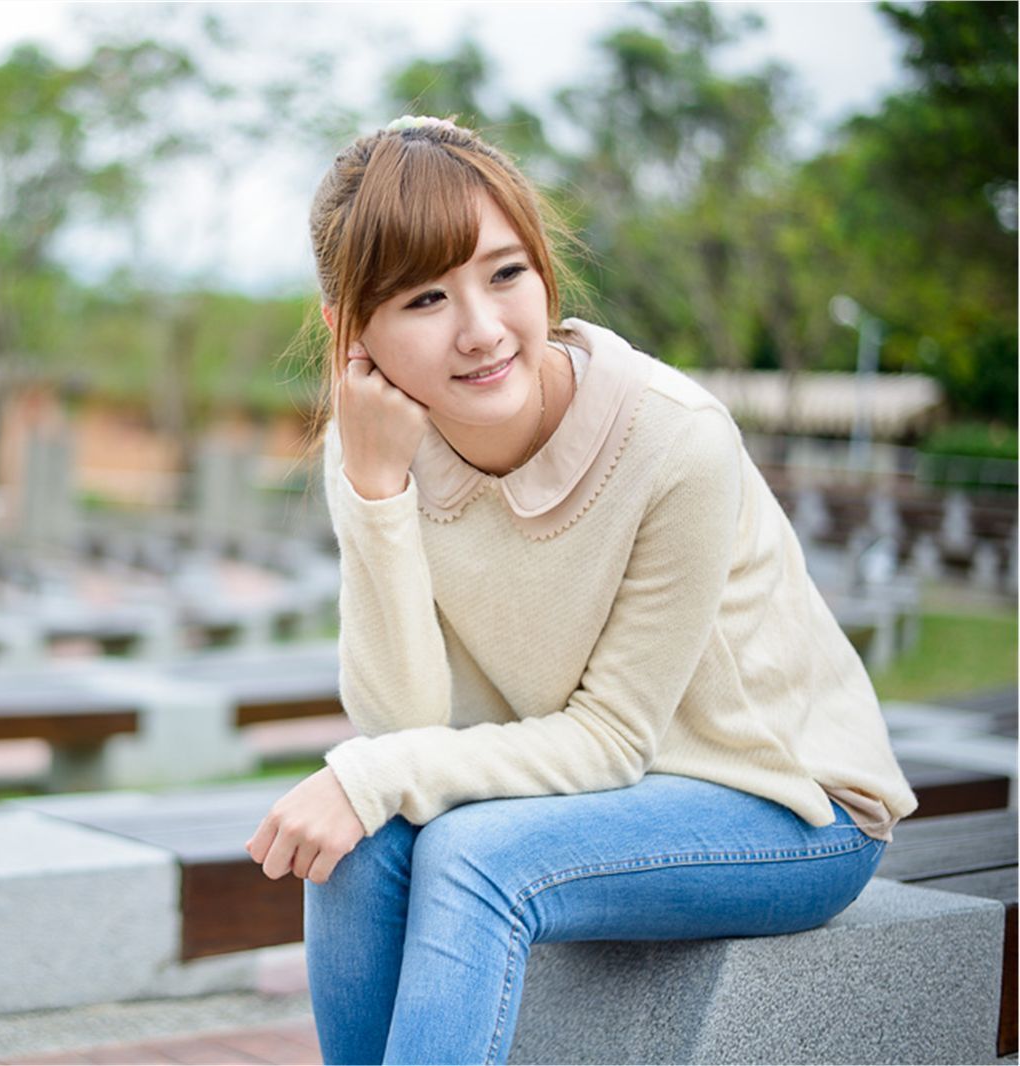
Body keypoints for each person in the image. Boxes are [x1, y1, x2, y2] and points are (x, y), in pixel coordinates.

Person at [242, 115, 918, 1065]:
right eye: (427, 298)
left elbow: (611, 737)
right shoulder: (375, 447)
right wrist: (378, 494)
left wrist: (369, 773)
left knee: (469, 857)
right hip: (594, 790)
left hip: (788, 805)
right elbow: (404, 731)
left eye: (506, 273)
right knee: (356, 843)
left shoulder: (674, 440)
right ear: (352, 332)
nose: (482, 330)